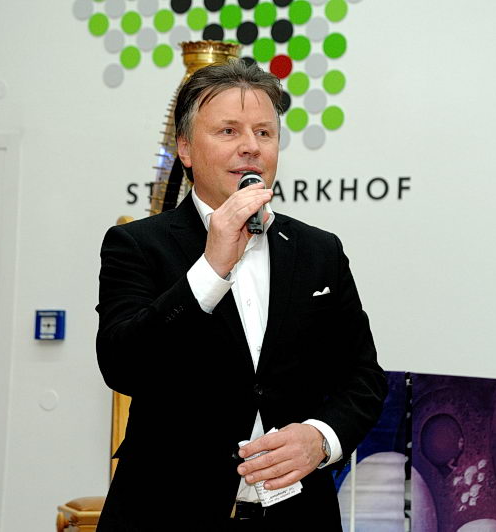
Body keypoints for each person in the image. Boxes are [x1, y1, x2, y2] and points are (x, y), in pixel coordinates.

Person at [95, 59, 387, 531]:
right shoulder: (137, 244)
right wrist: (211, 268)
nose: (251, 146)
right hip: (166, 512)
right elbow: (123, 365)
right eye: (228, 131)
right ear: (185, 149)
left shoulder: (319, 251)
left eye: (264, 133)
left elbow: (363, 377)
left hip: (298, 518)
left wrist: (321, 438)